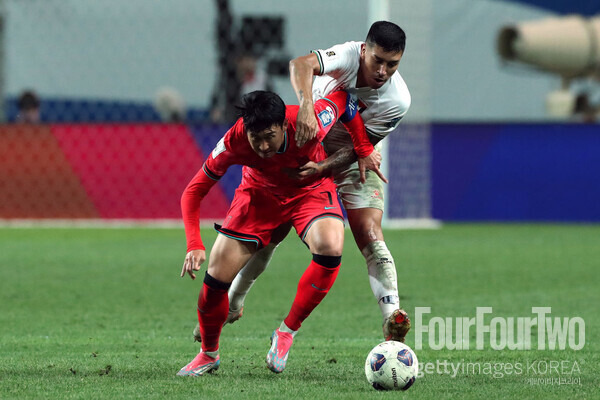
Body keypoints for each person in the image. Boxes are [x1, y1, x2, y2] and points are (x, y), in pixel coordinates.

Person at [205, 21, 413, 344]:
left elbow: (361, 147)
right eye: (378, 61)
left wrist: (324, 168)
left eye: (393, 64)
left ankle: (392, 317)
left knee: (369, 234)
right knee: (270, 234)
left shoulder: (398, 101)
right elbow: (300, 64)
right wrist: (305, 107)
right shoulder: (346, 55)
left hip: (350, 158)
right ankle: (234, 298)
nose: (383, 71)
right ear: (364, 51)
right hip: (304, 149)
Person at [177, 89, 383, 377]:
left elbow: (345, 101)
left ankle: (286, 332)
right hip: (259, 194)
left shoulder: (309, 121)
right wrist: (194, 243)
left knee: (330, 246)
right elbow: (193, 191)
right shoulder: (234, 140)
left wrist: (363, 147)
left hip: (308, 190)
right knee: (214, 280)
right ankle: (208, 354)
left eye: (269, 137)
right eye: (255, 138)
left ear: (284, 126)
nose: (262, 146)